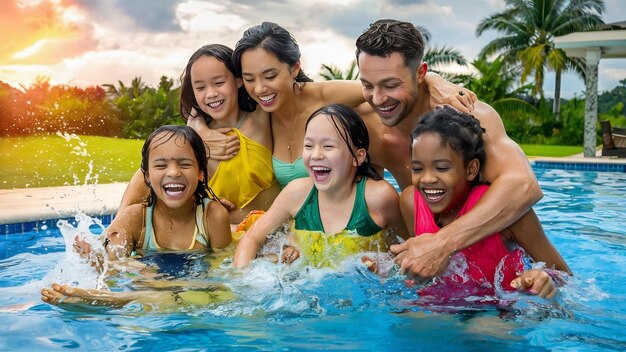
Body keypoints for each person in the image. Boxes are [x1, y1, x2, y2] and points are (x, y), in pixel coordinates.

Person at [354, 19, 544, 279]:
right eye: (367, 85)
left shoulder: (466, 117)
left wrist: (441, 244)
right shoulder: (365, 127)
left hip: (489, 257)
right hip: (429, 267)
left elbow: (524, 185)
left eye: (390, 85)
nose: (377, 98)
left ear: (420, 73)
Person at [231, 21, 476, 189]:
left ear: (295, 67)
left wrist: (436, 81)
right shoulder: (256, 114)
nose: (260, 89)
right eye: (250, 79)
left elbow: (389, 86)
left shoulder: (324, 97)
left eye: (270, 76)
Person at [41, 125, 232, 308]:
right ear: (147, 176)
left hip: (188, 294)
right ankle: (117, 299)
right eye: (161, 165)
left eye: (184, 164)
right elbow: (112, 266)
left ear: (200, 173)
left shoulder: (212, 216)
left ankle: (110, 301)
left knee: (185, 298)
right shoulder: (134, 218)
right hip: (146, 290)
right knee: (160, 298)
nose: (174, 172)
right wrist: (92, 257)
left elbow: (222, 273)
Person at [399, 107, 571, 299]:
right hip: (441, 305)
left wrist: (541, 278)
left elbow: (565, 277)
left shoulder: (509, 213)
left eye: (442, 168)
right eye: (417, 168)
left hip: (496, 308)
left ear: (471, 169)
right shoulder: (410, 202)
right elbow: (418, 262)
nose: (427, 179)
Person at [119, 45, 281, 226]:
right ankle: (115, 229)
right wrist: (199, 131)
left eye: (219, 83)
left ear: (238, 79)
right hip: (221, 239)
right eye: (200, 87)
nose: (211, 94)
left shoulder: (262, 118)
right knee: (154, 165)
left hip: (267, 230)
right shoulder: (196, 141)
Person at [233, 104, 408, 268]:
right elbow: (252, 239)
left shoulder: (379, 197)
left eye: (328, 146)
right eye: (308, 145)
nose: (315, 155)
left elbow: (406, 249)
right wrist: (244, 281)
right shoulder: (297, 194)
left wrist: (383, 266)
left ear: (358, 156)